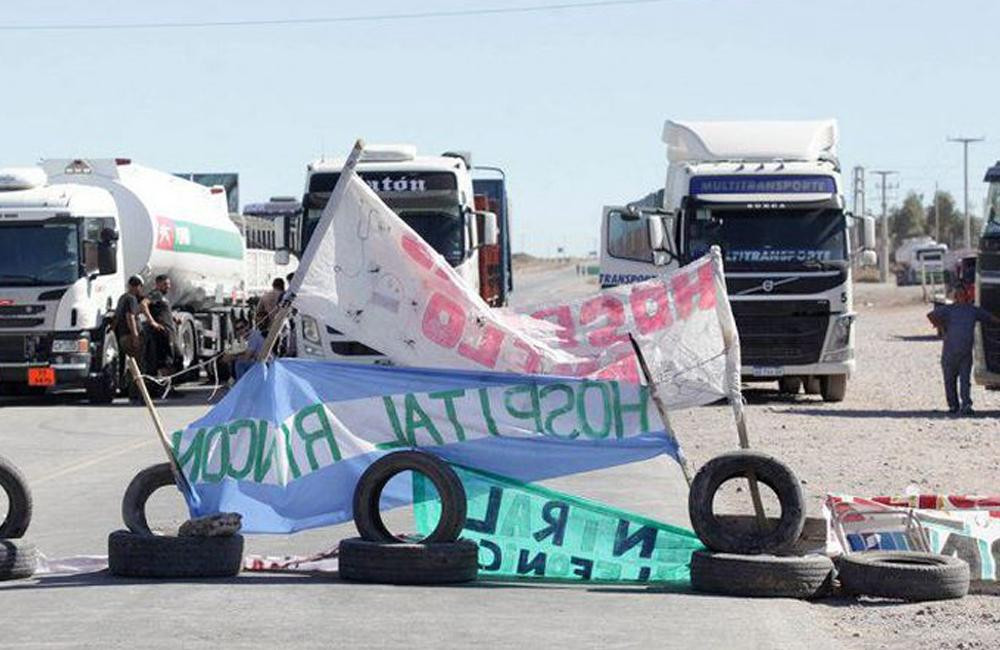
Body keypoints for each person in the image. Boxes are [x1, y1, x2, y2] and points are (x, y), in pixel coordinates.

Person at [927, 283, 1000, 415]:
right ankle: (953, 406)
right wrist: (942, 328)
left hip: (965, 353)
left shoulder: (973, 310)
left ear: (966, 296)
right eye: (958, 294)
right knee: (949, 381)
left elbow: (991, 318)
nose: (960, 296)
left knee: (965, 381)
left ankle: (966, 405)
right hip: (949, 353)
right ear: (955, 296)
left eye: (963, 294)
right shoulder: (948, 309)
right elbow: (931, 315)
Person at [112, 275, 145, 389]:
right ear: (138, 287)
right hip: (130, 336)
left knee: (128, 363)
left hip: (122, 336)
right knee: (137, 364)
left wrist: (112, 330)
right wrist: (135, 336)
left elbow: (116, 318)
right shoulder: (131, 298)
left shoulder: (122, 298)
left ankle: (126, 387)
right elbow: (130, 316)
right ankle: (136, 391)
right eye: (140, 287)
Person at [144, 274, 176, 374]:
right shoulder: (156, 294)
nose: (168, 286)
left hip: (168, 332)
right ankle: (163, 386)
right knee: (164, 362)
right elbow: (143, 304)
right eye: (165, 284)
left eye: (169, 284)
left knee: (172, 360)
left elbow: (163, 311)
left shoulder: (162, 297)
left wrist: (174, 319)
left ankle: (167, 385)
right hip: (162, 332)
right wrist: (152, 322)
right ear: (158, 284)